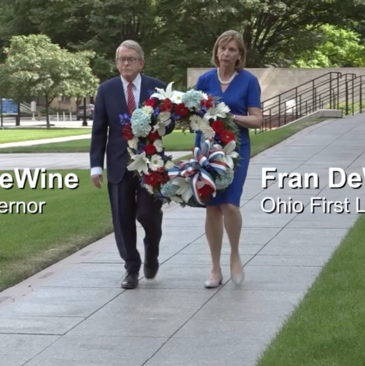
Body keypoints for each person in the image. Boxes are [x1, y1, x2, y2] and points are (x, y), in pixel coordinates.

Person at [89, 40, 174, 289]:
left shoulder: (156, 88)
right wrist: (96, 166)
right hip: (118, 165)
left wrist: (156, 125)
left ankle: (152, 252)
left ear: (141, 63)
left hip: (151, 162)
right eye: (121, 59)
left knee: (148, 215)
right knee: (122, 218)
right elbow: (98, 131)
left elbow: (170, 122)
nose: (126, 63)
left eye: (131, 59)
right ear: (116, 63)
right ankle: (131, 268)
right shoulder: (106, 90)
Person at [194, 30, 263, 288]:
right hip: (207, 149)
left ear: (239, 55)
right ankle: (215, 269)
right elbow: (194, 116)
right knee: (212, 207)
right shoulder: (204, 79)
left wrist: (230, 117)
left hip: (236, 150)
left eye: (232, 50)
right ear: (216, 52)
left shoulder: (248, 81)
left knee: (230, 205)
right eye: (223, 48)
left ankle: (235, 254)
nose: (226, 54)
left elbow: (257, 119)